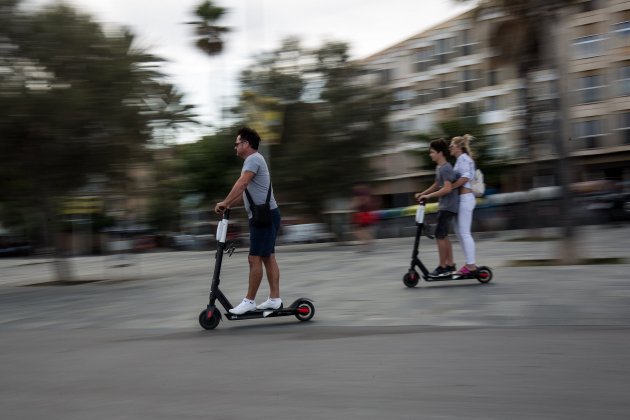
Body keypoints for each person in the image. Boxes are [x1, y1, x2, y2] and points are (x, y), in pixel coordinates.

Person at [214, 127, 282, 315]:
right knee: (268, 257)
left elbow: (242, 184)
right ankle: (274, 299)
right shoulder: (255, 160)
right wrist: (228, 205)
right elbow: (245, 190)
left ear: (246, 144)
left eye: (236, 143)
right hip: (266, 215)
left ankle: (249, 301)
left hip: (264, 217)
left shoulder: (253, 159)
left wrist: (225, 202)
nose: (235, 147)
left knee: (254, 259)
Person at [415, 138, 458, 277]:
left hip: (448, 206)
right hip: (445, 206)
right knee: (444, 236)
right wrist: (423, 193)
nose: (430, 154)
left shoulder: (446, 168)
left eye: (432, 152)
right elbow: (436, 184)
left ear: (440, 153)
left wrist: (429, 197)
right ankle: (450, 264)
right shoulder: (439, 167)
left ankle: (442, 266)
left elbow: (447, 189)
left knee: (440, 236)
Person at [449, 134, 478, 277]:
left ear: (458, 147)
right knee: (460, 233)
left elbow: (465, 177)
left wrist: (451, 187)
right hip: (462, 199)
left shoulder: (464, 159)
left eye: (451, 145)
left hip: (466, 198)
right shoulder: (459, 160)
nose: (450, 148)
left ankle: (471, 265)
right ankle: (468, 263)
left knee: (465, 233)